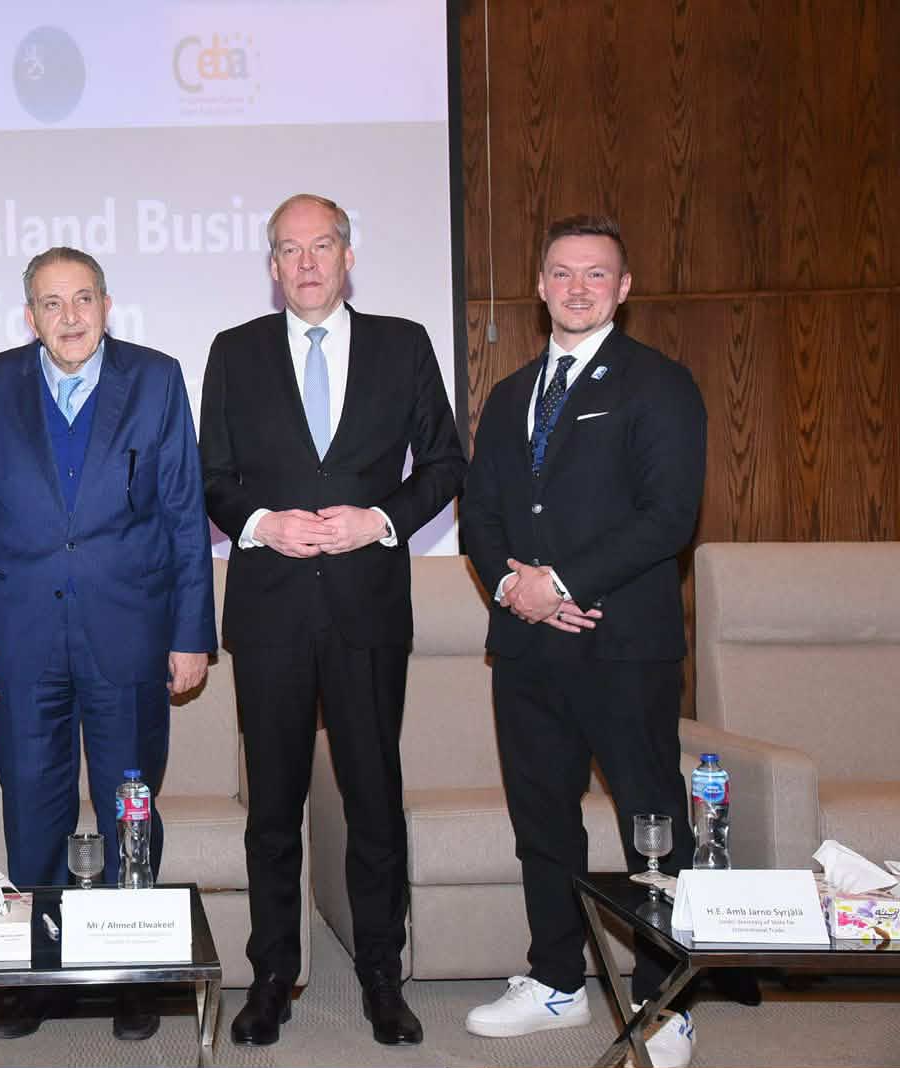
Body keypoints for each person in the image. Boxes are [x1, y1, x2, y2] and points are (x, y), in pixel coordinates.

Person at [199, 194, 466, 1048]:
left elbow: (446, 463)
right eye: (290, 249)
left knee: (373, 800)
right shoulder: (234, 351)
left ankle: (382, 974)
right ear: (272, 265)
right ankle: (272, 975)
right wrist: (260, 524)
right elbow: (210, 475)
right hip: (271, 611)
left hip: (366, 609)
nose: (307, 263)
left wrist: (379, 520)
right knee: (272, 807)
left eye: (322, 246)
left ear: (349, 256)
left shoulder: (403, 343)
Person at [459, 215, 705, 1068]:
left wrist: (560, 583)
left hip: (621, 644)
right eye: (561, 273)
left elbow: (669, 516)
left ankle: (665, 1002)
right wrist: (513, 589)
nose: (576, 288)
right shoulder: (510, 394)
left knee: (651, 822)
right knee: (542, 822)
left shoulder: (659, 385)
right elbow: (481, 511)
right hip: (527, 648)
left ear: (623, 288)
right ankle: (555, 979)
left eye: (596, 274)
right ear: (539, 285)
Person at [0, 247, 217, 1041]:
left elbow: (184, 514)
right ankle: (38, 981)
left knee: (129, 803)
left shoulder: (157, 379)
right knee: (32, 807)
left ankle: (134, 975)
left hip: (128, 632)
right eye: (51, 303)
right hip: (21, 637)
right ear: (29, 316)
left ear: (106, 305)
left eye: (82, 300)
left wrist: (192, 634)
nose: (69, 317)